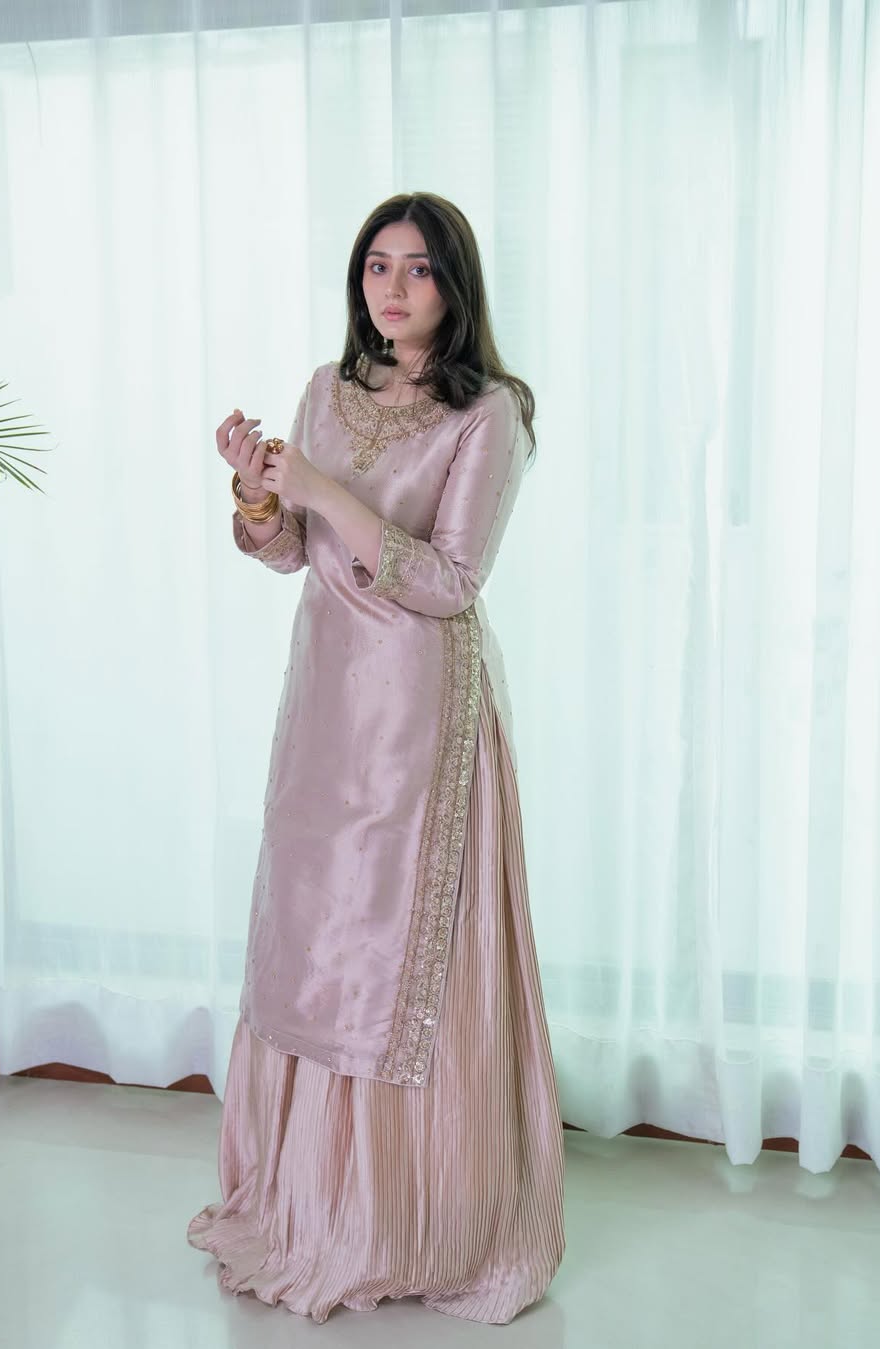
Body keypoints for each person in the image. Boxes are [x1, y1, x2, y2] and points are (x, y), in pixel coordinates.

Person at [187, 191, 565, 1325]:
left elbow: (451, 580)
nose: (393, 288)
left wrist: (320, 489)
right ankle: (309, 1199)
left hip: (422, 715)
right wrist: (259, 490)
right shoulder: (326, 389)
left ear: (456, 286)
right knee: (315, 935)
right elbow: (287, 551)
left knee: (397, 944)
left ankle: (411, 1215)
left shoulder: (488, 412)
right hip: (326, 703)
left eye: (419, 269)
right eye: (376, 266)